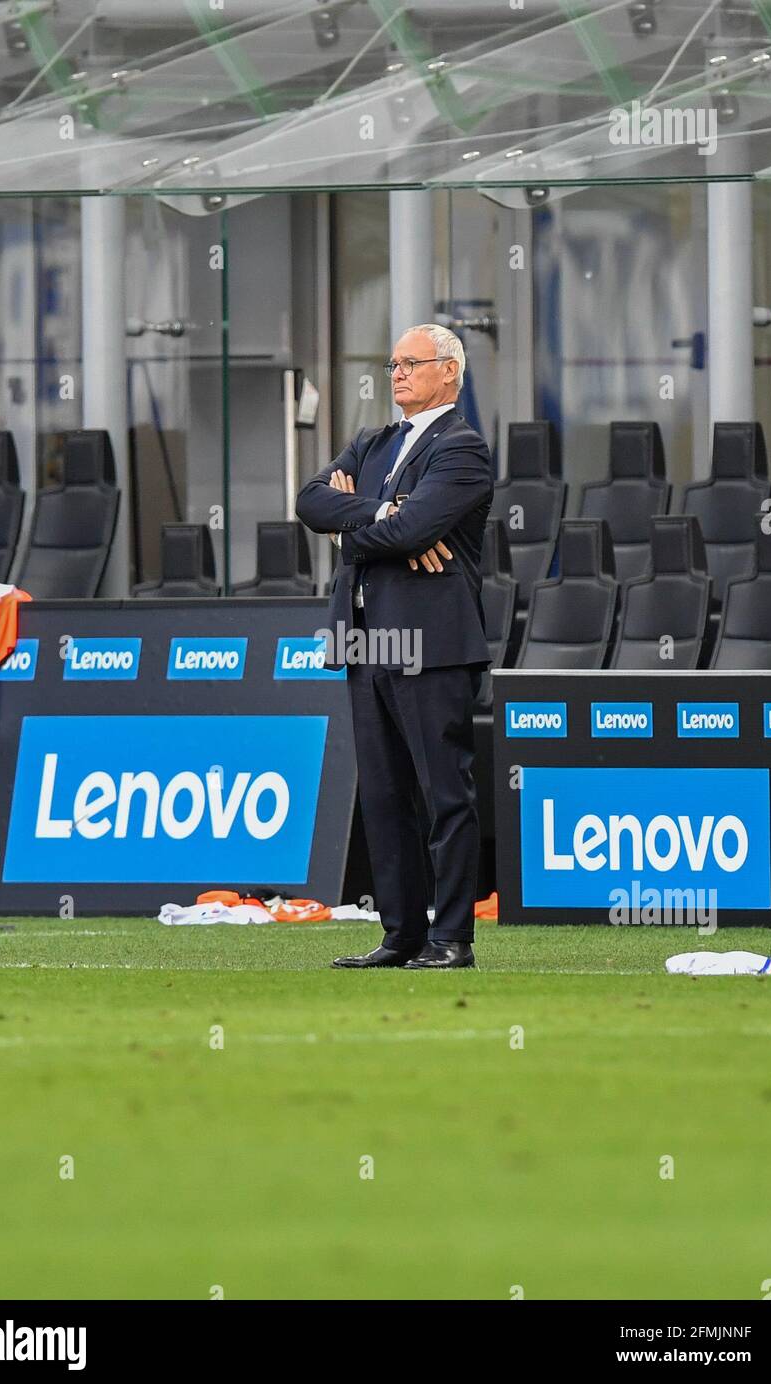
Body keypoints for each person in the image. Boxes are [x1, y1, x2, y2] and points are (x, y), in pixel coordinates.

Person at [296, 324, 493, 969]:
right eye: (393, 363)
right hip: (366, 640)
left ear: (450, 373)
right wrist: (382, 515)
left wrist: (358, 526)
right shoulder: (371, 440)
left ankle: (452, 938)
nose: (398, 373)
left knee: (443, 794)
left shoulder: (461, 448)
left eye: (412, 362)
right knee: (383, 797)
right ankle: (401, 934)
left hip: (430, 645)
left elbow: (416, 530)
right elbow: (311, 502)